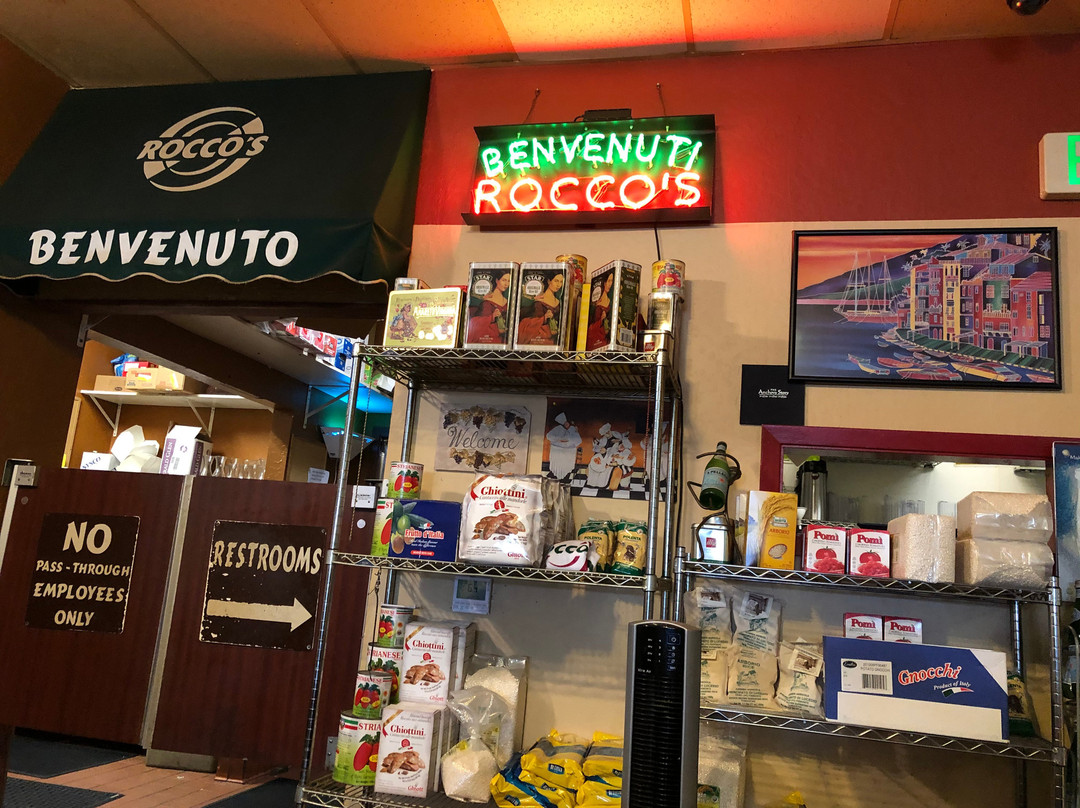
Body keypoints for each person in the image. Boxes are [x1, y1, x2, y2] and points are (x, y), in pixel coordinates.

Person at [516, 273, 565, 346]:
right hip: (540, 338)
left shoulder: (558, 301)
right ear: (549, 281)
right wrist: (544, 318)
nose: (558, 285)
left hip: (555, 339)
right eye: (556, 281)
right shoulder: (539, 301)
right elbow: (531, 323)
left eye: (561, 282)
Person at [466, 270, 512, 345]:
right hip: (489, 339)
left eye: (509, 281)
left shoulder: (506, 301)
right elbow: (479, 327)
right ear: (497, 280)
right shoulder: (487, 302)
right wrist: (492, 317)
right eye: (504, 280)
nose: (506, 284)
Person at [546, 412, 581, 480]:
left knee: (566, 465)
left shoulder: (572, 429)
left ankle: (565, 476)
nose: (566, 424)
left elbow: (578, 440)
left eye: (567, 423)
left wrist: (575, 433)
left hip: (569, 450)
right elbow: (549, 436)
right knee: (558, 464)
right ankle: (554, 475)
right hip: (557, 449)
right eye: (565, 423)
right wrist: (558, 439)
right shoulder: (558, 428)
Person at [585, 272, 614, 351]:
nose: (610, 284)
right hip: (595, 339)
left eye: (611, 281)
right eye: (609, 281)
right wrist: (601, 320)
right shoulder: (595, 301)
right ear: (604, 283)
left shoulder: (610, 301)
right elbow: (588, 324)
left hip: (606, 340)